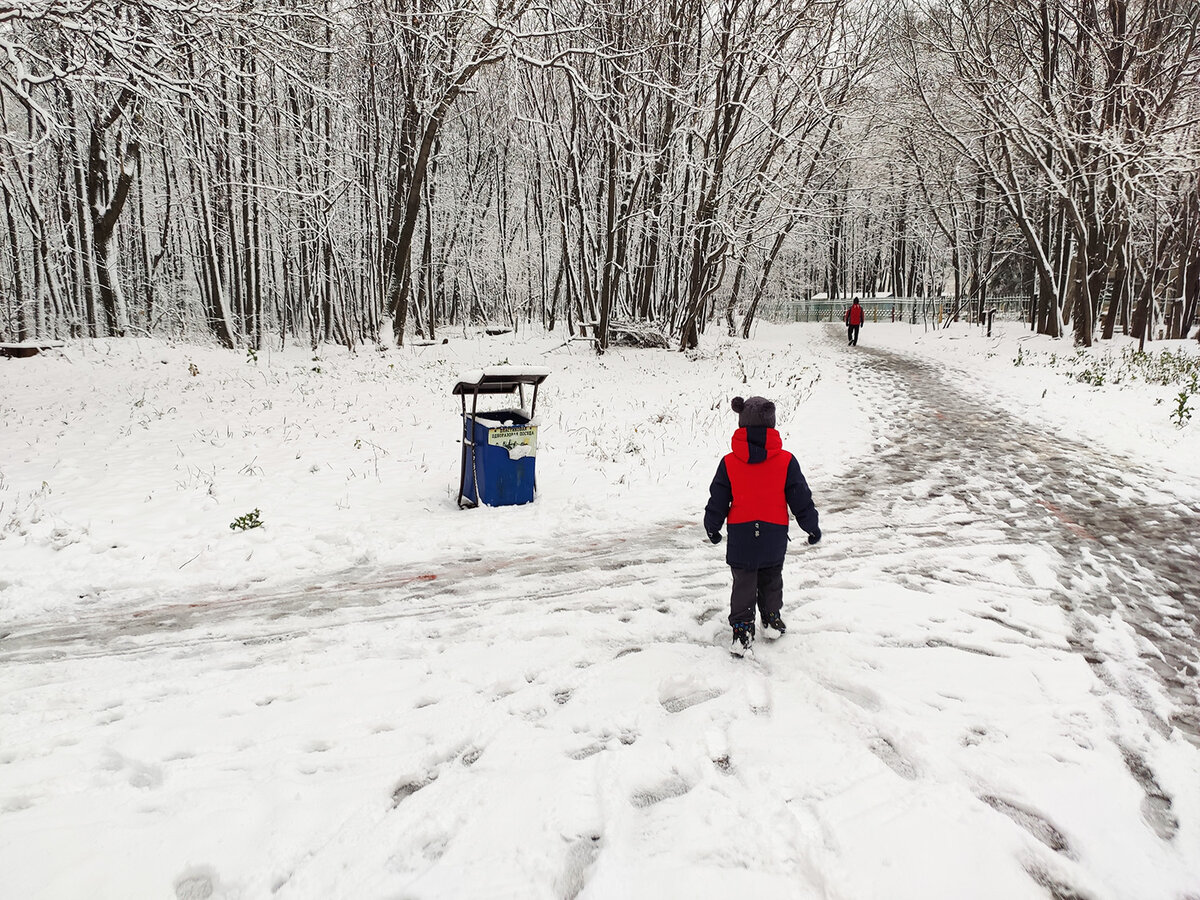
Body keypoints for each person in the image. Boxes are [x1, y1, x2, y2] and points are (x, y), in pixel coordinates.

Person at [704, 396, 820, 657]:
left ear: (741, 424)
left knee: (743, 582)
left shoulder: (730, 462)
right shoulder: (786, 461)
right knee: (771, 579)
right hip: (773, 532)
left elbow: (718, 498)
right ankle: (770, 618)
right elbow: (800, 498)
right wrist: (811, 526)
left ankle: (742, 629)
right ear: (772, 424)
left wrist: (712, 526)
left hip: (742, 533)